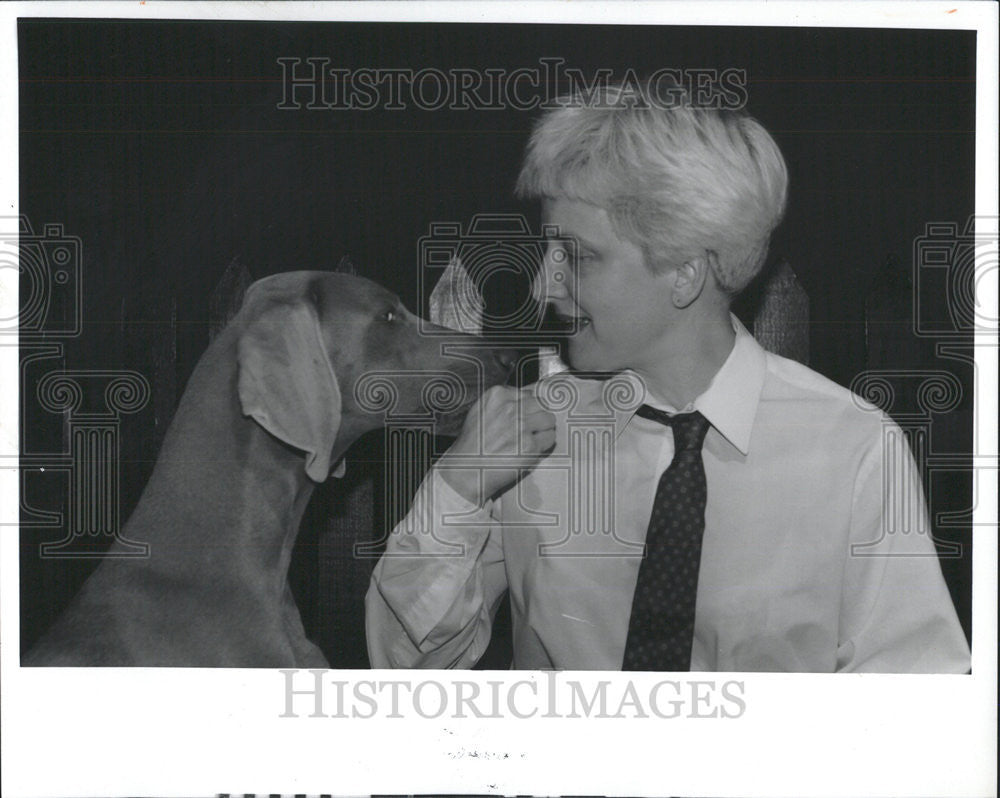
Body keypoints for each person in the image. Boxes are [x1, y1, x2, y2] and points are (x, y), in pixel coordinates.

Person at [365, 81, 971, 672]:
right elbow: (408, 671)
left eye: (577, 255)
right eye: (546, 250)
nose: (541, 285)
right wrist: (456, 490)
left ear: (685, 273)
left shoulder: (854, 449)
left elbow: (911, 717)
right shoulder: (528, 433)